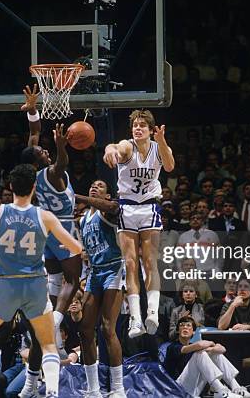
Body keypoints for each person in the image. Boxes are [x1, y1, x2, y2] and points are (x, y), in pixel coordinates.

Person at [0, 164, 83, 398]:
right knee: (48, 342)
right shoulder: (45, 216)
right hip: (35, 284)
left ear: (11, 186)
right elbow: (75, 247)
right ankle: (51, 391)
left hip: (5, 284)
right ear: (34, 187)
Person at [21, 85, 83, 349]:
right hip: (63, 228)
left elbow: (34, 134)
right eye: (41, 153)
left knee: (56, 280)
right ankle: (56, 320)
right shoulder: (49, 173)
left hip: (45, 231)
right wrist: (60, 148)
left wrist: (34, 111)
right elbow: (62, 165)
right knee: (73, 280)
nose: (43, 150)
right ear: (38, 161)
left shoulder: (32, 172)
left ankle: (48, 319)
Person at [103, 109, 174, 337]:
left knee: (150, 261)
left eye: (142, 125)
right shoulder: (128, 146)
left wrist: (161, 140)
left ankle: (152, 312)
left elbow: (170, 166)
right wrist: (110, 150)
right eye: (135, 125)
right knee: (131, 263)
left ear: (151, 129)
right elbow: (115, 147)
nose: (137, 128)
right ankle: (135, 318)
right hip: (127, 208)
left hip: (149, 207)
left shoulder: (158, 147)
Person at [75, 179, 126, 398]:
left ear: (106, 195)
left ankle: (118, 389)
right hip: (95, 272)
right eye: (92, 184)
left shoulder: (109, 211)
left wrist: (77, 196)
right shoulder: (83, 220)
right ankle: (94, 389)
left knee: (107, 329)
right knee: (85, 330)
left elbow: (114, 206)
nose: (94, 186)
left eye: (100, 186)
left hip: (115, 268)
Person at [163, 315, 250, 398]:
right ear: (178, 331)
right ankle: (221, 390)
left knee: (213, 353)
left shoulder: (194, 346)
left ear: (194, 332)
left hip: (195, 388)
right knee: (200, 353)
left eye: (188, 326)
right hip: (177, 388)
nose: (185, 327)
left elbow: (222, 349)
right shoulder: (173, 347)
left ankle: (237, 388)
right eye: (181, 325)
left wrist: (211, 350)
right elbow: (197, 346)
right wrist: (211, 344)